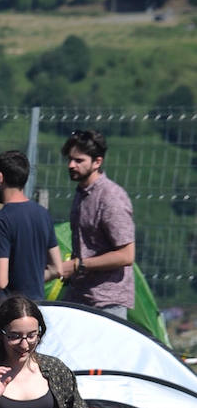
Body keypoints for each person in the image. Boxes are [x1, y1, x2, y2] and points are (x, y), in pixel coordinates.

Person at [0, 151, 62, 309]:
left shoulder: (0, 220)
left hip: (8, 310)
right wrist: (31, 280)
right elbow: (57, 269)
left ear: (0, 178)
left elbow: (0, 281)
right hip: (35, 308)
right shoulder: (43, 214)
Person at [58, 129, 135, 318]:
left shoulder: (111, 198)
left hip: (107, 300)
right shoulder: (82, 193)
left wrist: (78, 265)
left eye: (78, 160)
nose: (71, 165)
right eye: (69, 159)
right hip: (79, 294)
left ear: (97, 162)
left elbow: (126, 255)